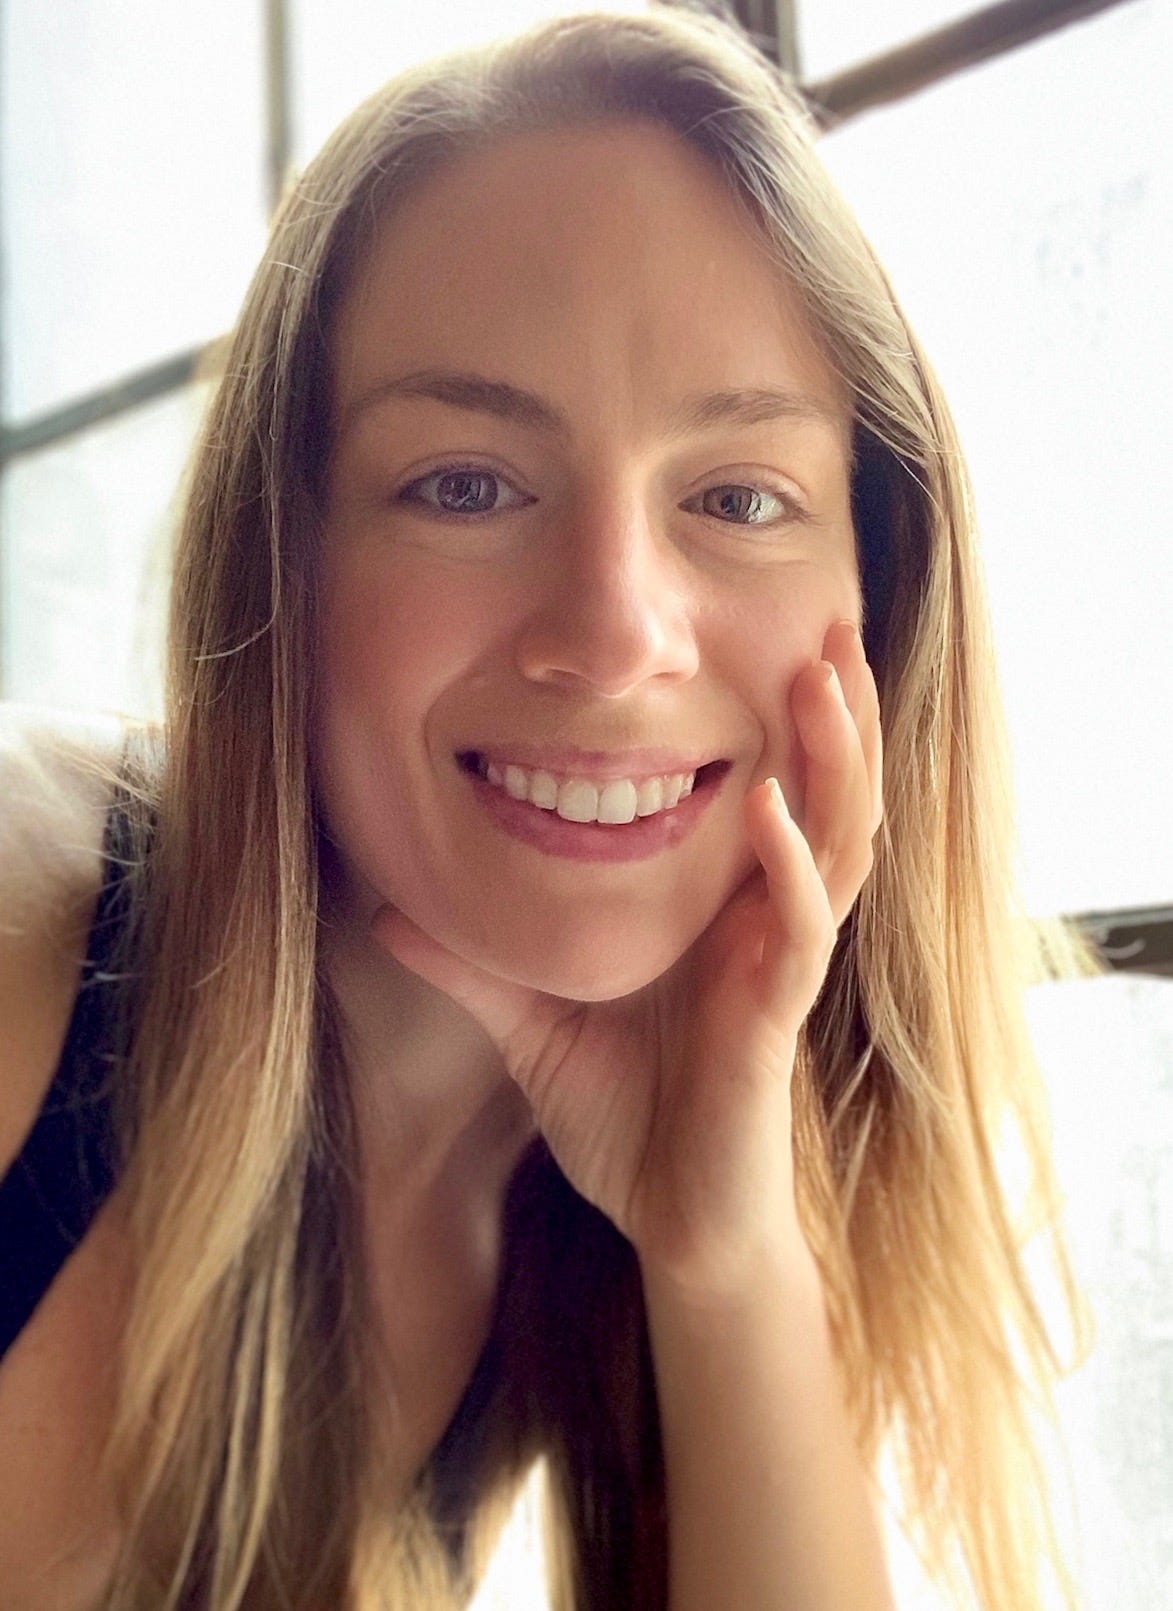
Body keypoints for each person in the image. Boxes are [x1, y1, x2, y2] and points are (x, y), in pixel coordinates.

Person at [0, 6, 1094, 1608]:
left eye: (737, 498)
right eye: (464, 484)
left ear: (880, 598)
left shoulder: (594, 1212)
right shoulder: (21, 906)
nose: (613, 633)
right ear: (282, 562)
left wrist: (725, 1250)